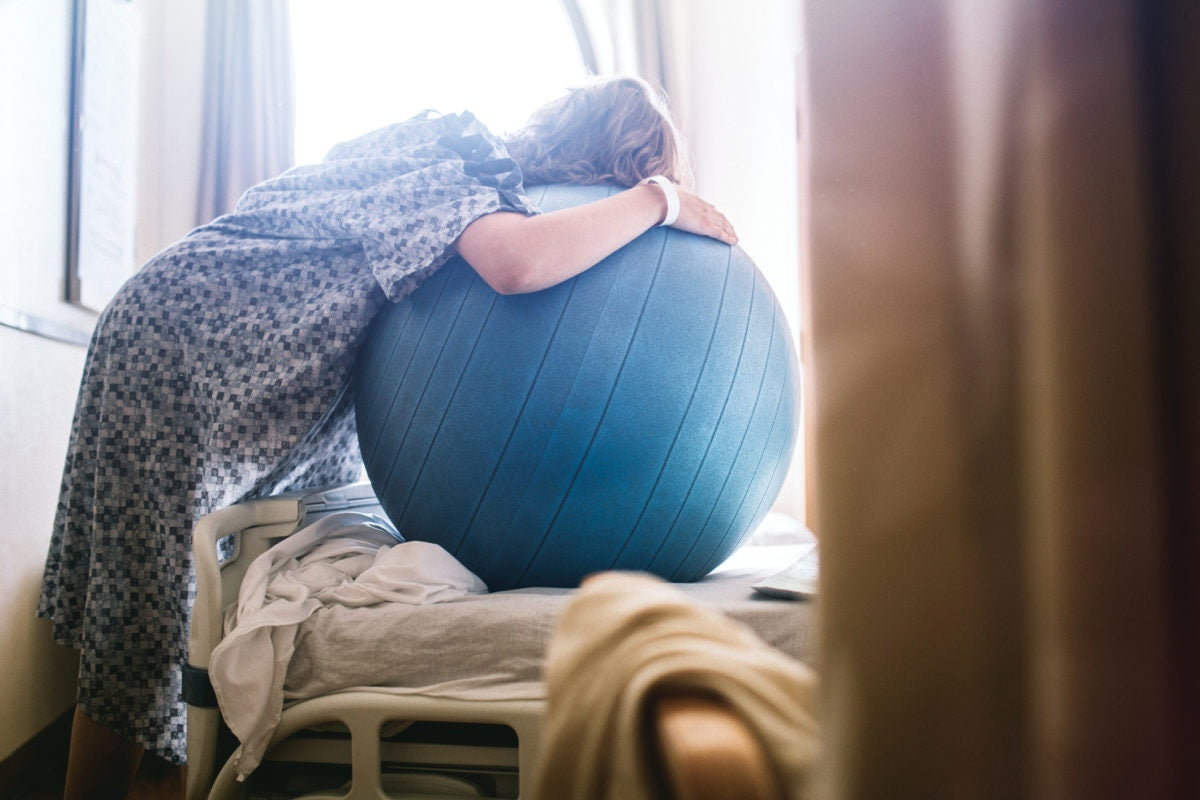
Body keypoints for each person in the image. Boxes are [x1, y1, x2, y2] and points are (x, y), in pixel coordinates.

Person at [38, 74, 737, 799]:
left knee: (175, 607)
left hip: (231, 353)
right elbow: (518, 263)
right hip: (183, 343)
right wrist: (661, 200)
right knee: (150, 610)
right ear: (598, 163)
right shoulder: (458, 159)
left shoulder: (467, 171)